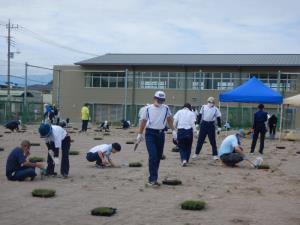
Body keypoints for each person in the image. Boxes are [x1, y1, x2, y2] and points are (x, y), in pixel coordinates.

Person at [137, 90, 176, 187]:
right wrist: (140, 134)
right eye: (159, 100)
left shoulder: (166, 108)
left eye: (162, 100)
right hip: (150, 133)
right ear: (154, 98)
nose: (160, 102)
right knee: (153, 156)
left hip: (161, 134)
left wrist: (174, 130)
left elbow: (169, 119)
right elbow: (143, 121)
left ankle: (154, 178)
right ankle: (152, 179)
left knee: (158, 157)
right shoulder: (147, 109)